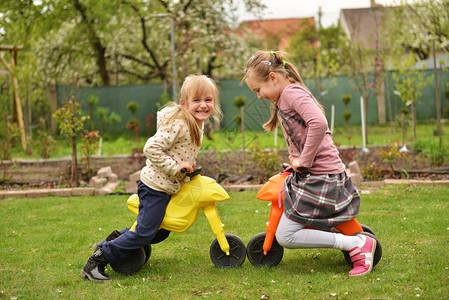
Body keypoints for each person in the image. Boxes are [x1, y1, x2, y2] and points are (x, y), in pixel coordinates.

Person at [243, 50, 376, 277]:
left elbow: (319, 123)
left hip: (322, 177)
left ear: (273, 78)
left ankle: (355, 244)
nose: (258, 96)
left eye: (258, 89)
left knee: (286, 236)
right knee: (289, 223)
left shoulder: (292, 93)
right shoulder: (286, 96)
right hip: (315, 175)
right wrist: (296, 161)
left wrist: (304, 160)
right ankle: (351, 240)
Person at [81, 74, 222, 282]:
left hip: (168, 186)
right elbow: (151, 147)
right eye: (197, 100)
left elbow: (178, 153)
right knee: (145, 232)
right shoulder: (179, 124)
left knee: (161, 231)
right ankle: (97, 260)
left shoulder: (196, 124)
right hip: (155, 186)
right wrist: (175, 168)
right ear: (184, 103)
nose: (203, 105)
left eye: (208, 100)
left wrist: (186, 168)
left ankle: (110, 241)